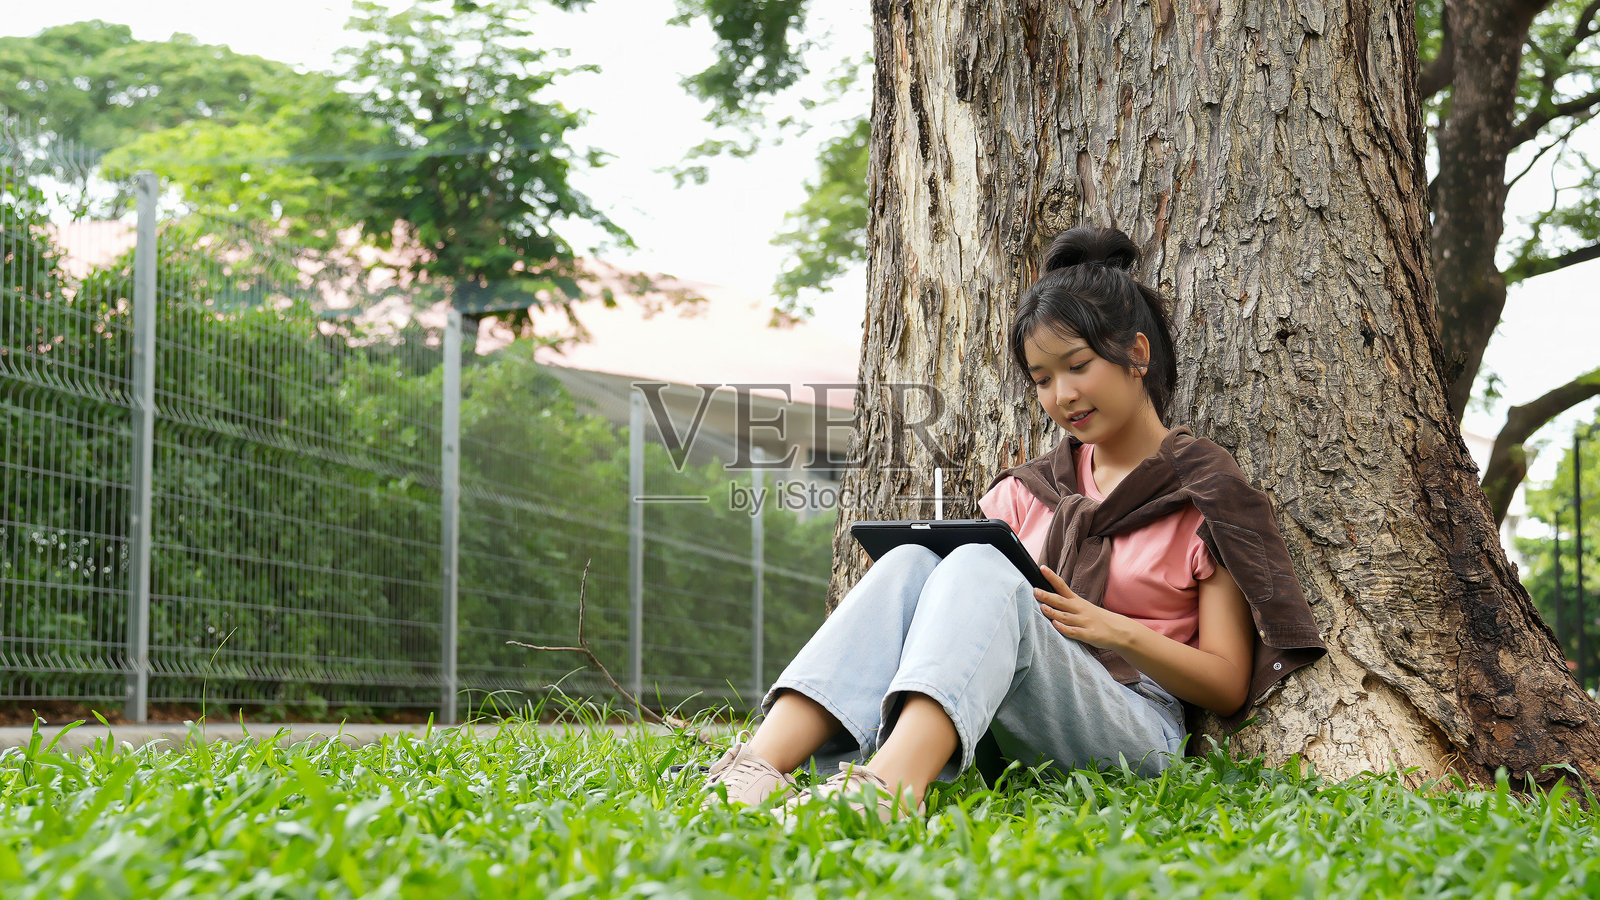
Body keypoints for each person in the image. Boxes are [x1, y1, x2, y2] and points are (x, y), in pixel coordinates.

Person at [700, 226, 1327, 820]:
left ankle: (886, 790)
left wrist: (1114, 630)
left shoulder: (1202, 496)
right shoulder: (1029, 492)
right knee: (911, 560)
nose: (1062, 395)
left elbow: (1227, 683)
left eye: (1078, 365)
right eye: (1043, 379)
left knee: (979, 562)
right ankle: (756, 771)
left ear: (1136, 354)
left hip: (1135, 727)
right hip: (995, 709)